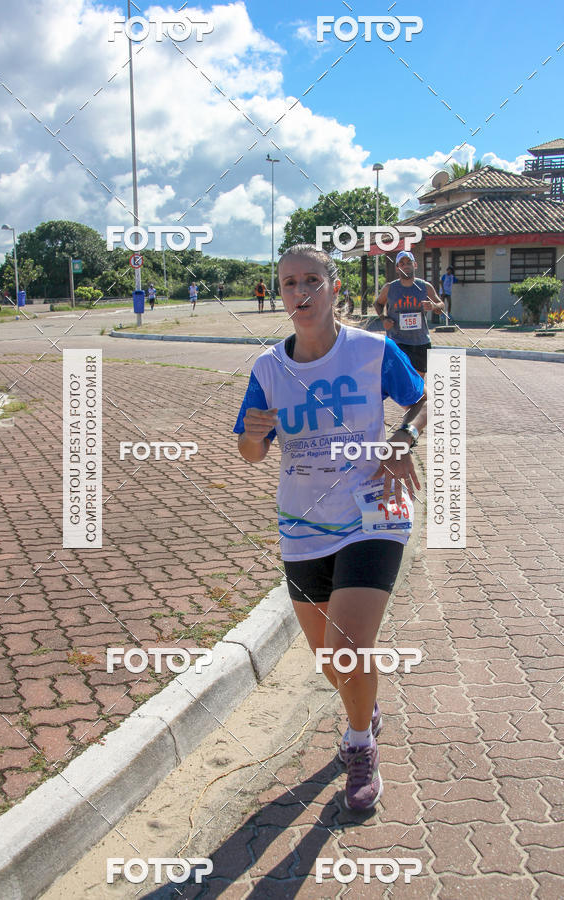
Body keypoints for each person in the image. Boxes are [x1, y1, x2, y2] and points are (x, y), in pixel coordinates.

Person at [234, 244, 428, 812]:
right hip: (302, 522)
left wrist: (403, 439)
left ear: (333, 287)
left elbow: (423, 401)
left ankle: (359, 744)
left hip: (374, 511)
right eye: (290, 283)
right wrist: (253, 433)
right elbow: (250, 452)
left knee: (347, 646)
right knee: (330, 660)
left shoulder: (373, 350)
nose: (301, 292)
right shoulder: (269, 368)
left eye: (312, 281)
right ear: (280, 294)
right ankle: (364, 707)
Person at [373, 250, 443, 378]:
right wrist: (384, 319)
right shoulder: (389, 288)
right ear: (397, 268)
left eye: (408, 262)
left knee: (419, 380)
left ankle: (417, 397)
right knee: (400, 379)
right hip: (397, 341)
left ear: (414, 265)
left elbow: (441, 306)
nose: (406, 265)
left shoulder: (425, 287)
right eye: (402, 263)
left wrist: (433, 306)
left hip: (420, 341)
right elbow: (377, 304)